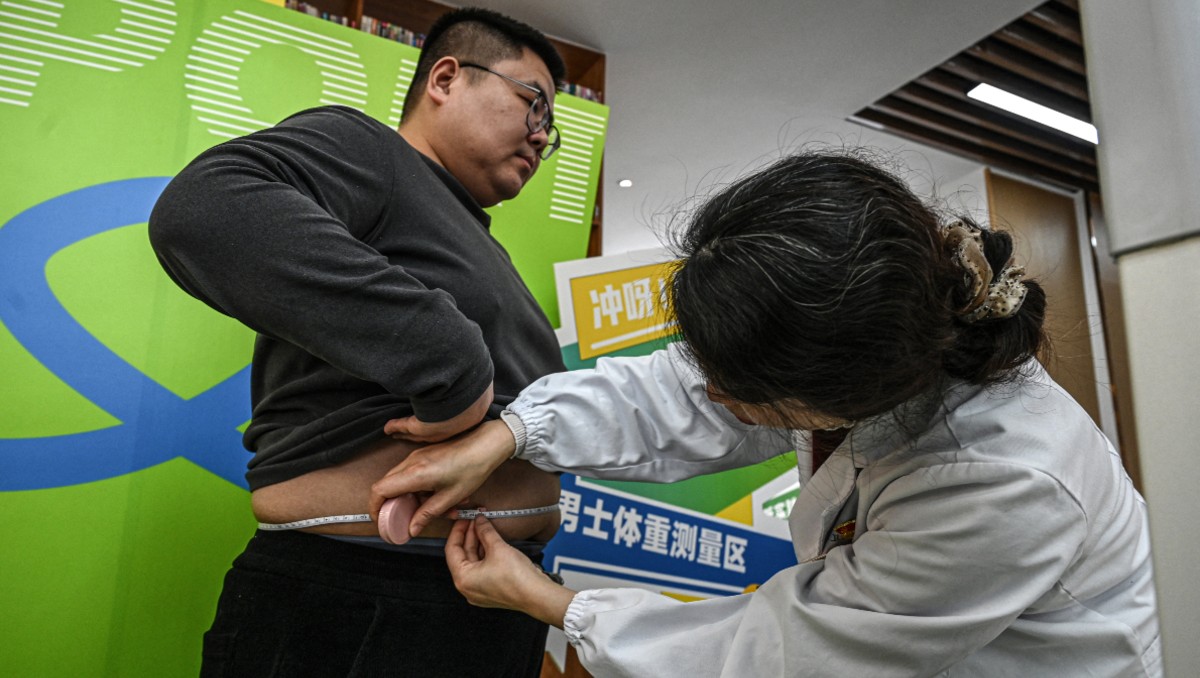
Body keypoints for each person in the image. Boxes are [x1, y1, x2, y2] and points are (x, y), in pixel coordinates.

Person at [371, 152, 1162, 677]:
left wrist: (550, 603)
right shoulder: (861, 354)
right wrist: (511, 432)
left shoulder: (1002, 480)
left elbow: (784, 653)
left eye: (734, 386)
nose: (708, 393)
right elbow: (669, 394)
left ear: (837, 396)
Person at [149, 7, 570, 676]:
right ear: (446, 78)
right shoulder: (371, 151)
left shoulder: (477, 241)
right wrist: (451, 363)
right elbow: (205, 209)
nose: (542, 137)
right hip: (364, 602)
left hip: (487, 605)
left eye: (553, 127)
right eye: (533, 103)